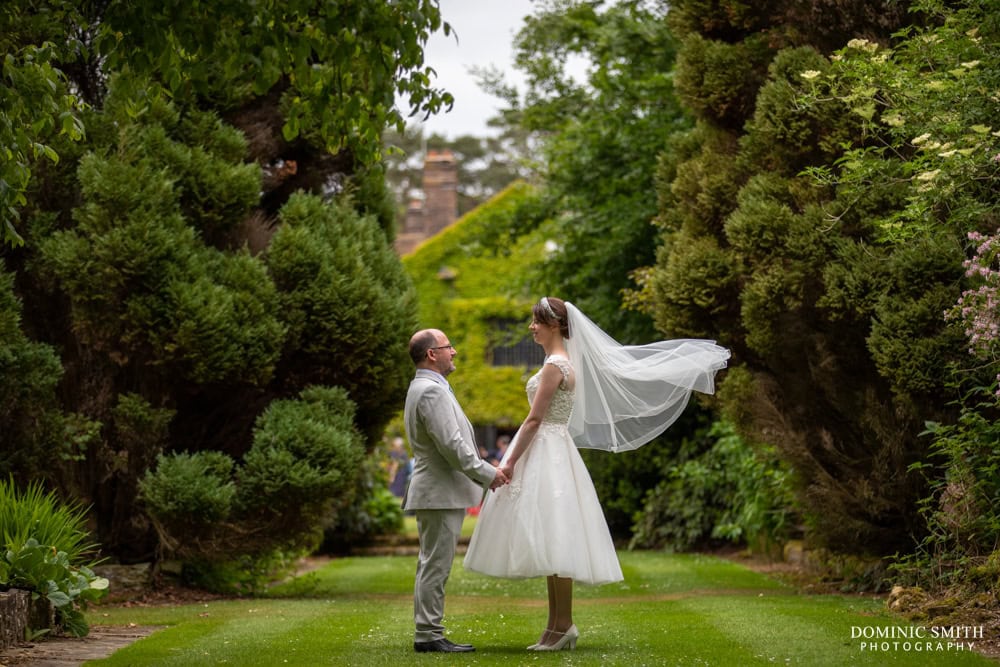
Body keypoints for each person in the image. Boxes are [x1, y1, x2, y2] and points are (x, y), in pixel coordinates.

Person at [463, 297, 729, 651]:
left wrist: (508, 461)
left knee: (555, 540)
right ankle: (557, 626)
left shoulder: (556, 365)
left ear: (554, 325)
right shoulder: (561, 362)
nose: (531, 328)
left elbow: (534, 419)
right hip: (553, 449)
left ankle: (561, 626)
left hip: (547, 448)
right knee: (551, 543)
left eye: (536, 322)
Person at [403, 328, 509, 654]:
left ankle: (429, 631)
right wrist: (488, 474)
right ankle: (428, 635)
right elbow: (452, 446)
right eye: (449, 347)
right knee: (435, 565)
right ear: (432, 354)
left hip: (438, 490)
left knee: (433, 563)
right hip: (438, 491)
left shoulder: (428, 387)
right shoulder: (430, 391)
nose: (455, 352)